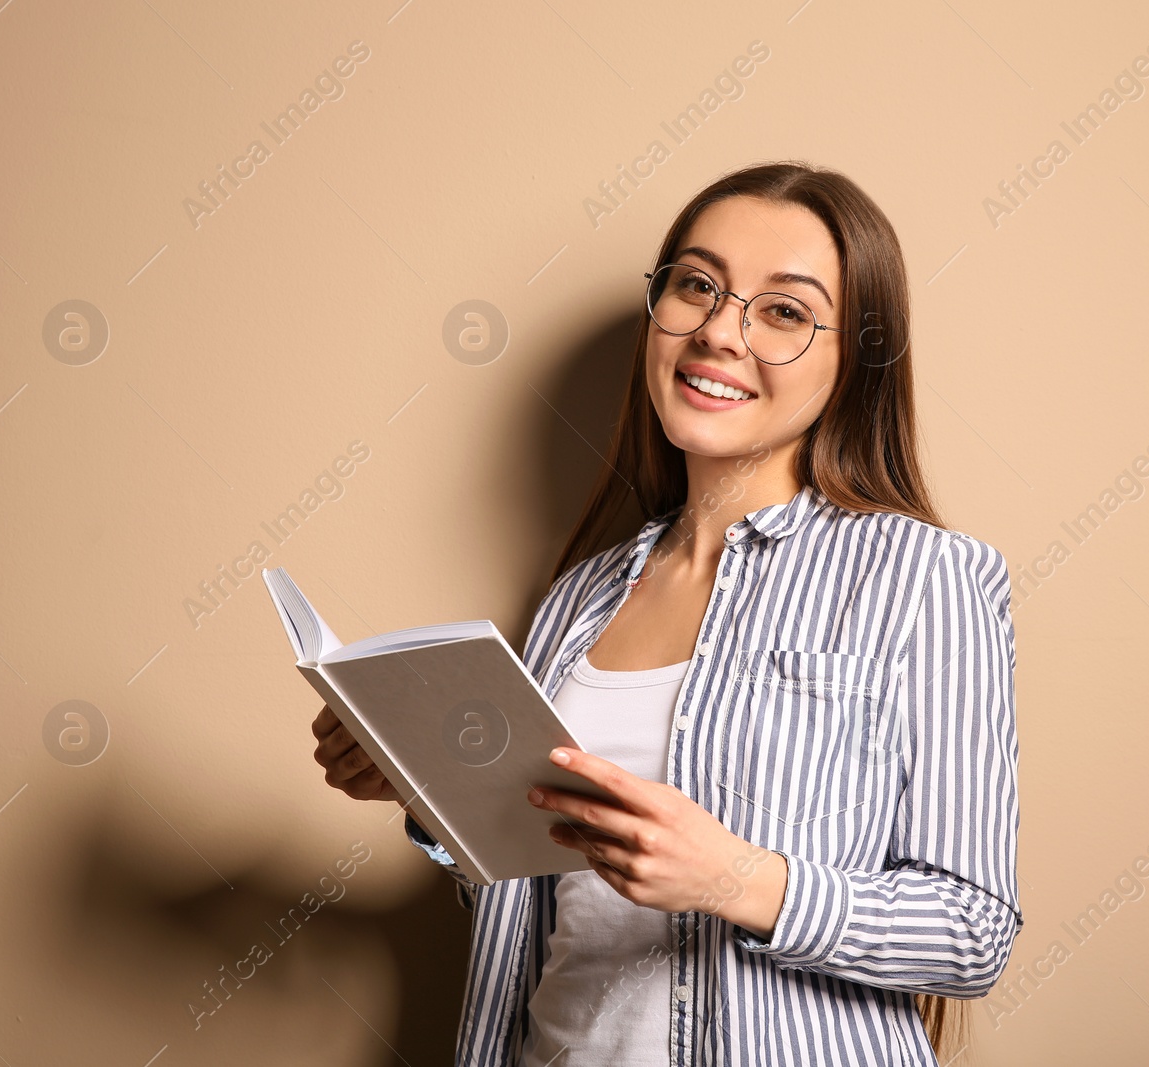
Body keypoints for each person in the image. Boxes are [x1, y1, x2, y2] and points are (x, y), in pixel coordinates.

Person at [311, 160, 1023, 1066]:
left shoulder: (926, 576)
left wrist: (733, 876)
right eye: (697, 286)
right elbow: (540, 897)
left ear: (855, 362)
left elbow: (973, 932)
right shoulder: (581, 596)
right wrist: (432, 797)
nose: (721, 332)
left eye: (785, 311)